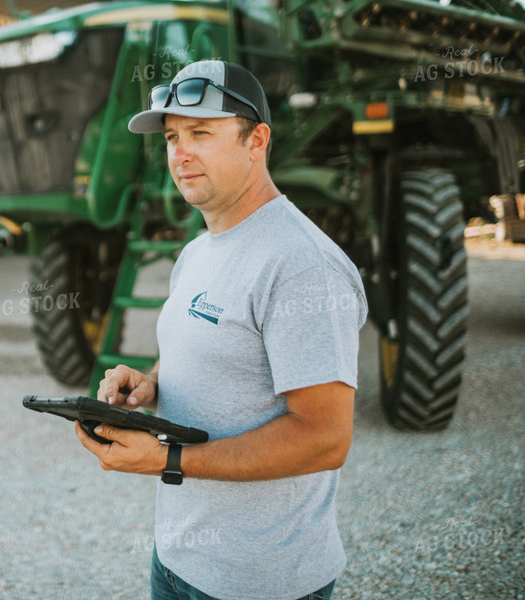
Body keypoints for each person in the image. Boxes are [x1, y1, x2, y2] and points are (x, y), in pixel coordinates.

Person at [74, 60, 368, 600]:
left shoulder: (301, 265)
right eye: (172, 137)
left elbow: (325, 437)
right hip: (177, 560)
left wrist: (166, 459)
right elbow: (214, 350)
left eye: (201, 133)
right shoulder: (197, 251)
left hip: (260, 581)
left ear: (257, 140)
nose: (179, 154)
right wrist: (152, 382)